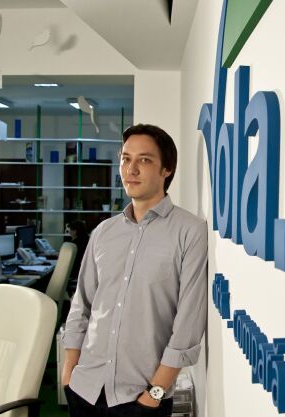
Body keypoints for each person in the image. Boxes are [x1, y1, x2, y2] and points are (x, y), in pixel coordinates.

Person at [61, 124, 208, 417]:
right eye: (126, 159)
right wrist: (69, 373)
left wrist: (155, 393)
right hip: (85, 389)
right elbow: (82, 305)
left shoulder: (190, 231)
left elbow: (188, 325)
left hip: (142, 399)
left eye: (144, 160)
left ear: (167, 169)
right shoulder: (103, 232)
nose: (131, 169)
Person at [64, 220, 89, 297]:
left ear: (75, 231)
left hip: (74, 273)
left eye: (69, 230)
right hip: (83, 272)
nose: (69, 232)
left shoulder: (74, 245)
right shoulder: (88, 240)